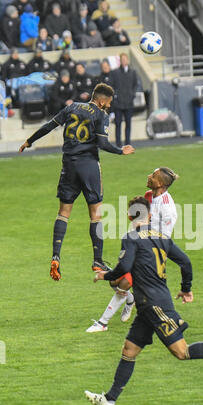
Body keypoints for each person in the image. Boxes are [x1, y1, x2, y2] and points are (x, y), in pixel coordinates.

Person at [84, 196, 203, 405]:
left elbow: (124, 266)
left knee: (181, 352)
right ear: (150, 215)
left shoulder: (131, 238)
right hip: (148, 306)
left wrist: (105, 275)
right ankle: (109, 400)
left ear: (130, 216)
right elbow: (185, 262)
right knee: (129, 350)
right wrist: (186, 287)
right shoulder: (162, 237)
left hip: (155, 305)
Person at [19, 83, 135, 281]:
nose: (108, 106)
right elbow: (102, 143)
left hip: (68, 166)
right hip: (88, 166)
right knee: (95, 213)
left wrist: (29, 141)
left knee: (63, 212)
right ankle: (97, 260)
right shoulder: (100, 114)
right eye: (108, 102)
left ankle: (56, 255)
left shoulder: (71, 107)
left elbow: (49, 126)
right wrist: (120, 151)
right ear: (101, 100)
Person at [86, 167, 179, 332]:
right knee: (115, 281)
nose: (149, 175)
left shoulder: (167, 209)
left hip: (152, 251)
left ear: (160, 183)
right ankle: (130, 300)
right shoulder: (150, 196)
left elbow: (163, 238)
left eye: (153, 175)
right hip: (139, 244)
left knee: (125, 282)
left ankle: (102, 323)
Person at [111, 52, 137, 147]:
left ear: (128, 60)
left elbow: (135, 85)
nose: (124, 61)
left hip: (129, 102)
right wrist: (115, 96)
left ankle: (127, 143)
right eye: (122, 60)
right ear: (120, 61)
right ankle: (118, 144)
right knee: (118, 124)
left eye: (125, 59)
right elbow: (111, 85)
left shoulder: (133, 72)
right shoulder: (115, 73)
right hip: (118, 103)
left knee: (128, 124)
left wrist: (132, 95)